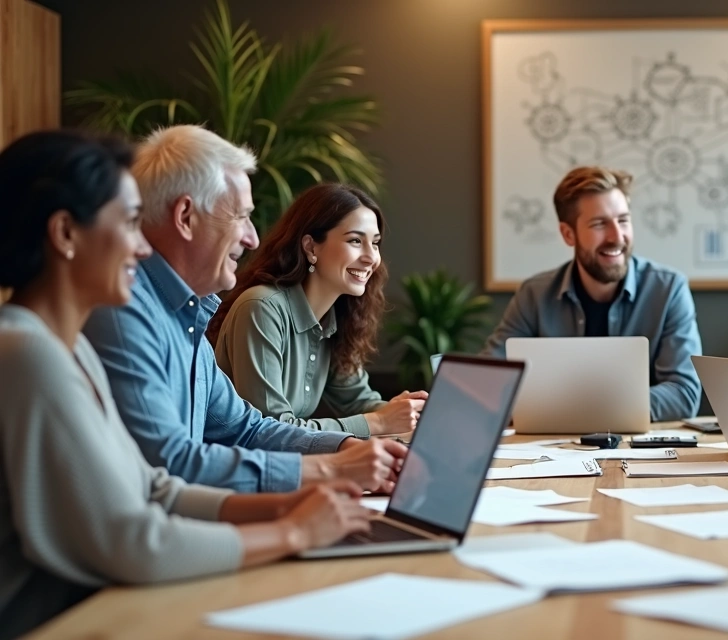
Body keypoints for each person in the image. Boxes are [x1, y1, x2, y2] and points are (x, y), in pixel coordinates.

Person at [0, 131, 372, 640]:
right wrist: (293, 530)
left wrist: (290, 502)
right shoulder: (28, 353)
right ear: (65, 233)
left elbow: (154, 487)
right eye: (129, 223)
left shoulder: (70, 347)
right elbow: (133, 540)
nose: (141, 246)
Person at [82, 125, 405, 494]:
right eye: (240, 216)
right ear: (186, 216)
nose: (252, 238)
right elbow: (170, 465)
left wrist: (346, 449)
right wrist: (331, 470)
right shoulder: (124, 311)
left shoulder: (188, 318)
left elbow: (247, 429)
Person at [481, 166, 702, 421]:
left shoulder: (669, 290)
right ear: (568, 234)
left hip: (636, 444)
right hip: (551, 444)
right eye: (599, 224)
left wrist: (581, 408)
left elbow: (684, 394)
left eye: (623, 220)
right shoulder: (534, 295)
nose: (616, 237)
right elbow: (488, 379)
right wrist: (602, 407)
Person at [208, 184, 426, 437]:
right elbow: (270, 429)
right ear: (311, 247)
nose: (371, 258)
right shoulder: (262, 308)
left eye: (375, 243)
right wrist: (379, 422)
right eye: (355, 241)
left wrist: (402, 412)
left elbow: (357, 400)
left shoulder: (336, 317)